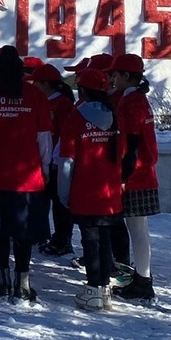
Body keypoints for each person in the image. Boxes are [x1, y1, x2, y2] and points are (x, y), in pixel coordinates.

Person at [0, 46, 52, 301]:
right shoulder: (36, 96)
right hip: (28, 178)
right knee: (24, 233)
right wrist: (45, 168)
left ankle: (2, 280)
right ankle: (23, 283)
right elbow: (44, 139)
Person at [56, 68, 124, 310]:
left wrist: (63, 192)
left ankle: (94, 288)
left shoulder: (75, 118)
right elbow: (122, 154)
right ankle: (104, 286)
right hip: (110, 192)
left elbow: (67, 160)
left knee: (90, 240)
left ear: (82, 90)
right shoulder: (115, 116)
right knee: (104, 239)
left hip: (84, 190)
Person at [110, 53, 161, 303]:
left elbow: (130, 144)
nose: (112, 79)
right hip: (143, 172)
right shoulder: (138, 99)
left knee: (137, 230)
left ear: (126, 76)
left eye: (115, 74)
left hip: (135, 175)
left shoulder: (131, 103)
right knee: (139, 229)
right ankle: (142, 278)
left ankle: (143, 280)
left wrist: (122, 176)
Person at [31, 64, 77, 256]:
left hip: (57, 159)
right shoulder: (41, 102)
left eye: (37, 83)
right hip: (43, 159)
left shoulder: (63, 103)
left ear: (46, 84)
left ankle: (62, 239)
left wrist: (56, 159)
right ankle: (44, 234)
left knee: (60, 204)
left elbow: (65, 133)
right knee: (42, 201)